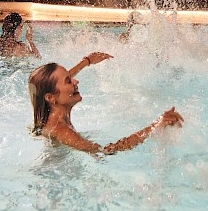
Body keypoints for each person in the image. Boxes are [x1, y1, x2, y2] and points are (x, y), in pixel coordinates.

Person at [28, 52, 184, 154]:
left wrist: (87, 61)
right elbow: (105, 151)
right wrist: (155, 126)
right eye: (68, 80)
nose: (76, 81)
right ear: (50, 97)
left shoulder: (51, 107)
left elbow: (51, 85)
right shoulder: (61, 130)